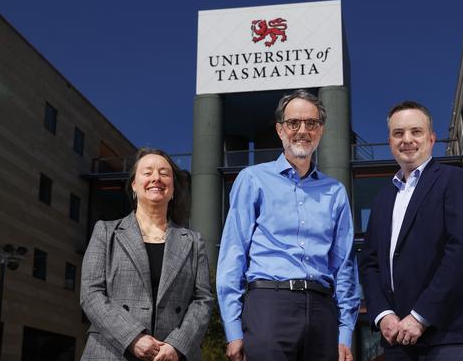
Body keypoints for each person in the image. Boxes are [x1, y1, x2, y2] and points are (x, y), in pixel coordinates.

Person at [216, 89, 360, 361]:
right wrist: (233, 330)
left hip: (322, 310)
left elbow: (344, 266)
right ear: (280, 130)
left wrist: (345, 332)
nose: (302, 130)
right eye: (294, 123)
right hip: (269, 306)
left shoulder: (335, 192)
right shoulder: (252, 180)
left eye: (311, 123)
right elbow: (232, 255)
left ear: (321, 131)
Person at [359, 101, 463, 360]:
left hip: (448, 333)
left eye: (415, 132)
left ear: (431, 139)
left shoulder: (456, 181)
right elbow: (369, 263)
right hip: (397, 339)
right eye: (398, 133)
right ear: (390, 142)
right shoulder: (383, 198)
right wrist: (382, 314)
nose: (407, 139)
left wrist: (421, 316)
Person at [81, 148, 213, 361]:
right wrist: (133, 337)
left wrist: (176, 345)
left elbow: (203, 300)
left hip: (171, 355)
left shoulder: (193, 241)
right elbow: (91, 294)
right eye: (148, 172)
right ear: (134, 185)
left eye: (164, 173)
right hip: (111, 351)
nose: (156, 178)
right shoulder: (106, 232)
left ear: (172, 189)